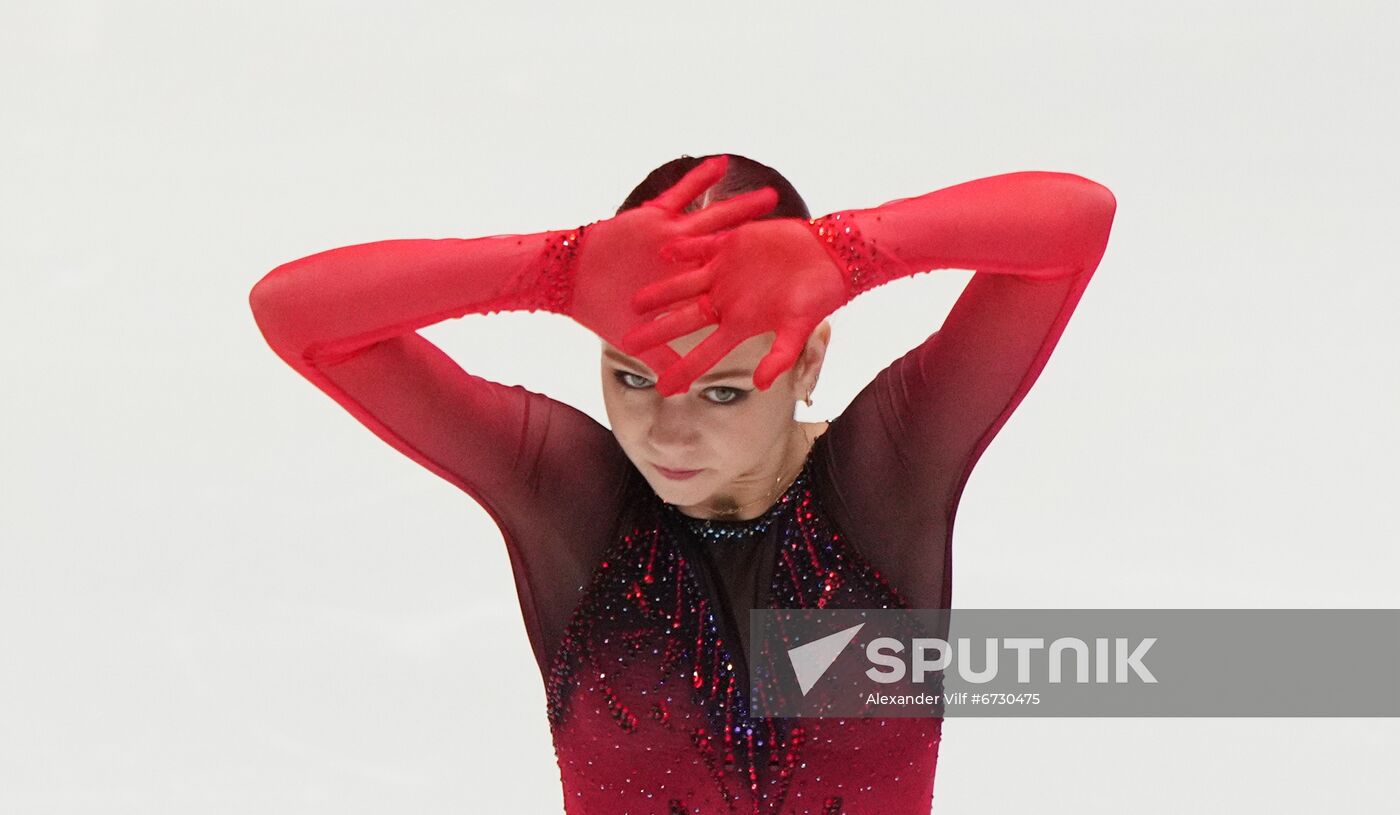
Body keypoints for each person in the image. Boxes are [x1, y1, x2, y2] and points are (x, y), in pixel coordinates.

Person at [248, 154, 1117, 814]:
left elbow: (1075, 220)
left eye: (724, 390)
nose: (666, 431)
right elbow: (299, 315)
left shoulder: (886, 478)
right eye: (631, 377)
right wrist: (553, 269)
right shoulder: (570, 499)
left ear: (808, 355)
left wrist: (849, 255)